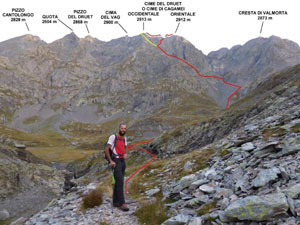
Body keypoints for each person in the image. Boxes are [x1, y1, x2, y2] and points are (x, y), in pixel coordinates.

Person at [104, 123, 129, 211]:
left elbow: (126, 147)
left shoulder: (124, 138)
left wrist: (126, 153)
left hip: (122, 161)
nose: (123, 130)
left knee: (119, 181)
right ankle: (122, 203)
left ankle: (115, 202)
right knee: (120, 182)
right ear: (119, 128)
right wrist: (111, 161)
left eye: (125, 128)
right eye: (122, 128)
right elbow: (106, 149)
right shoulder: (113, 137)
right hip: (116, 161)